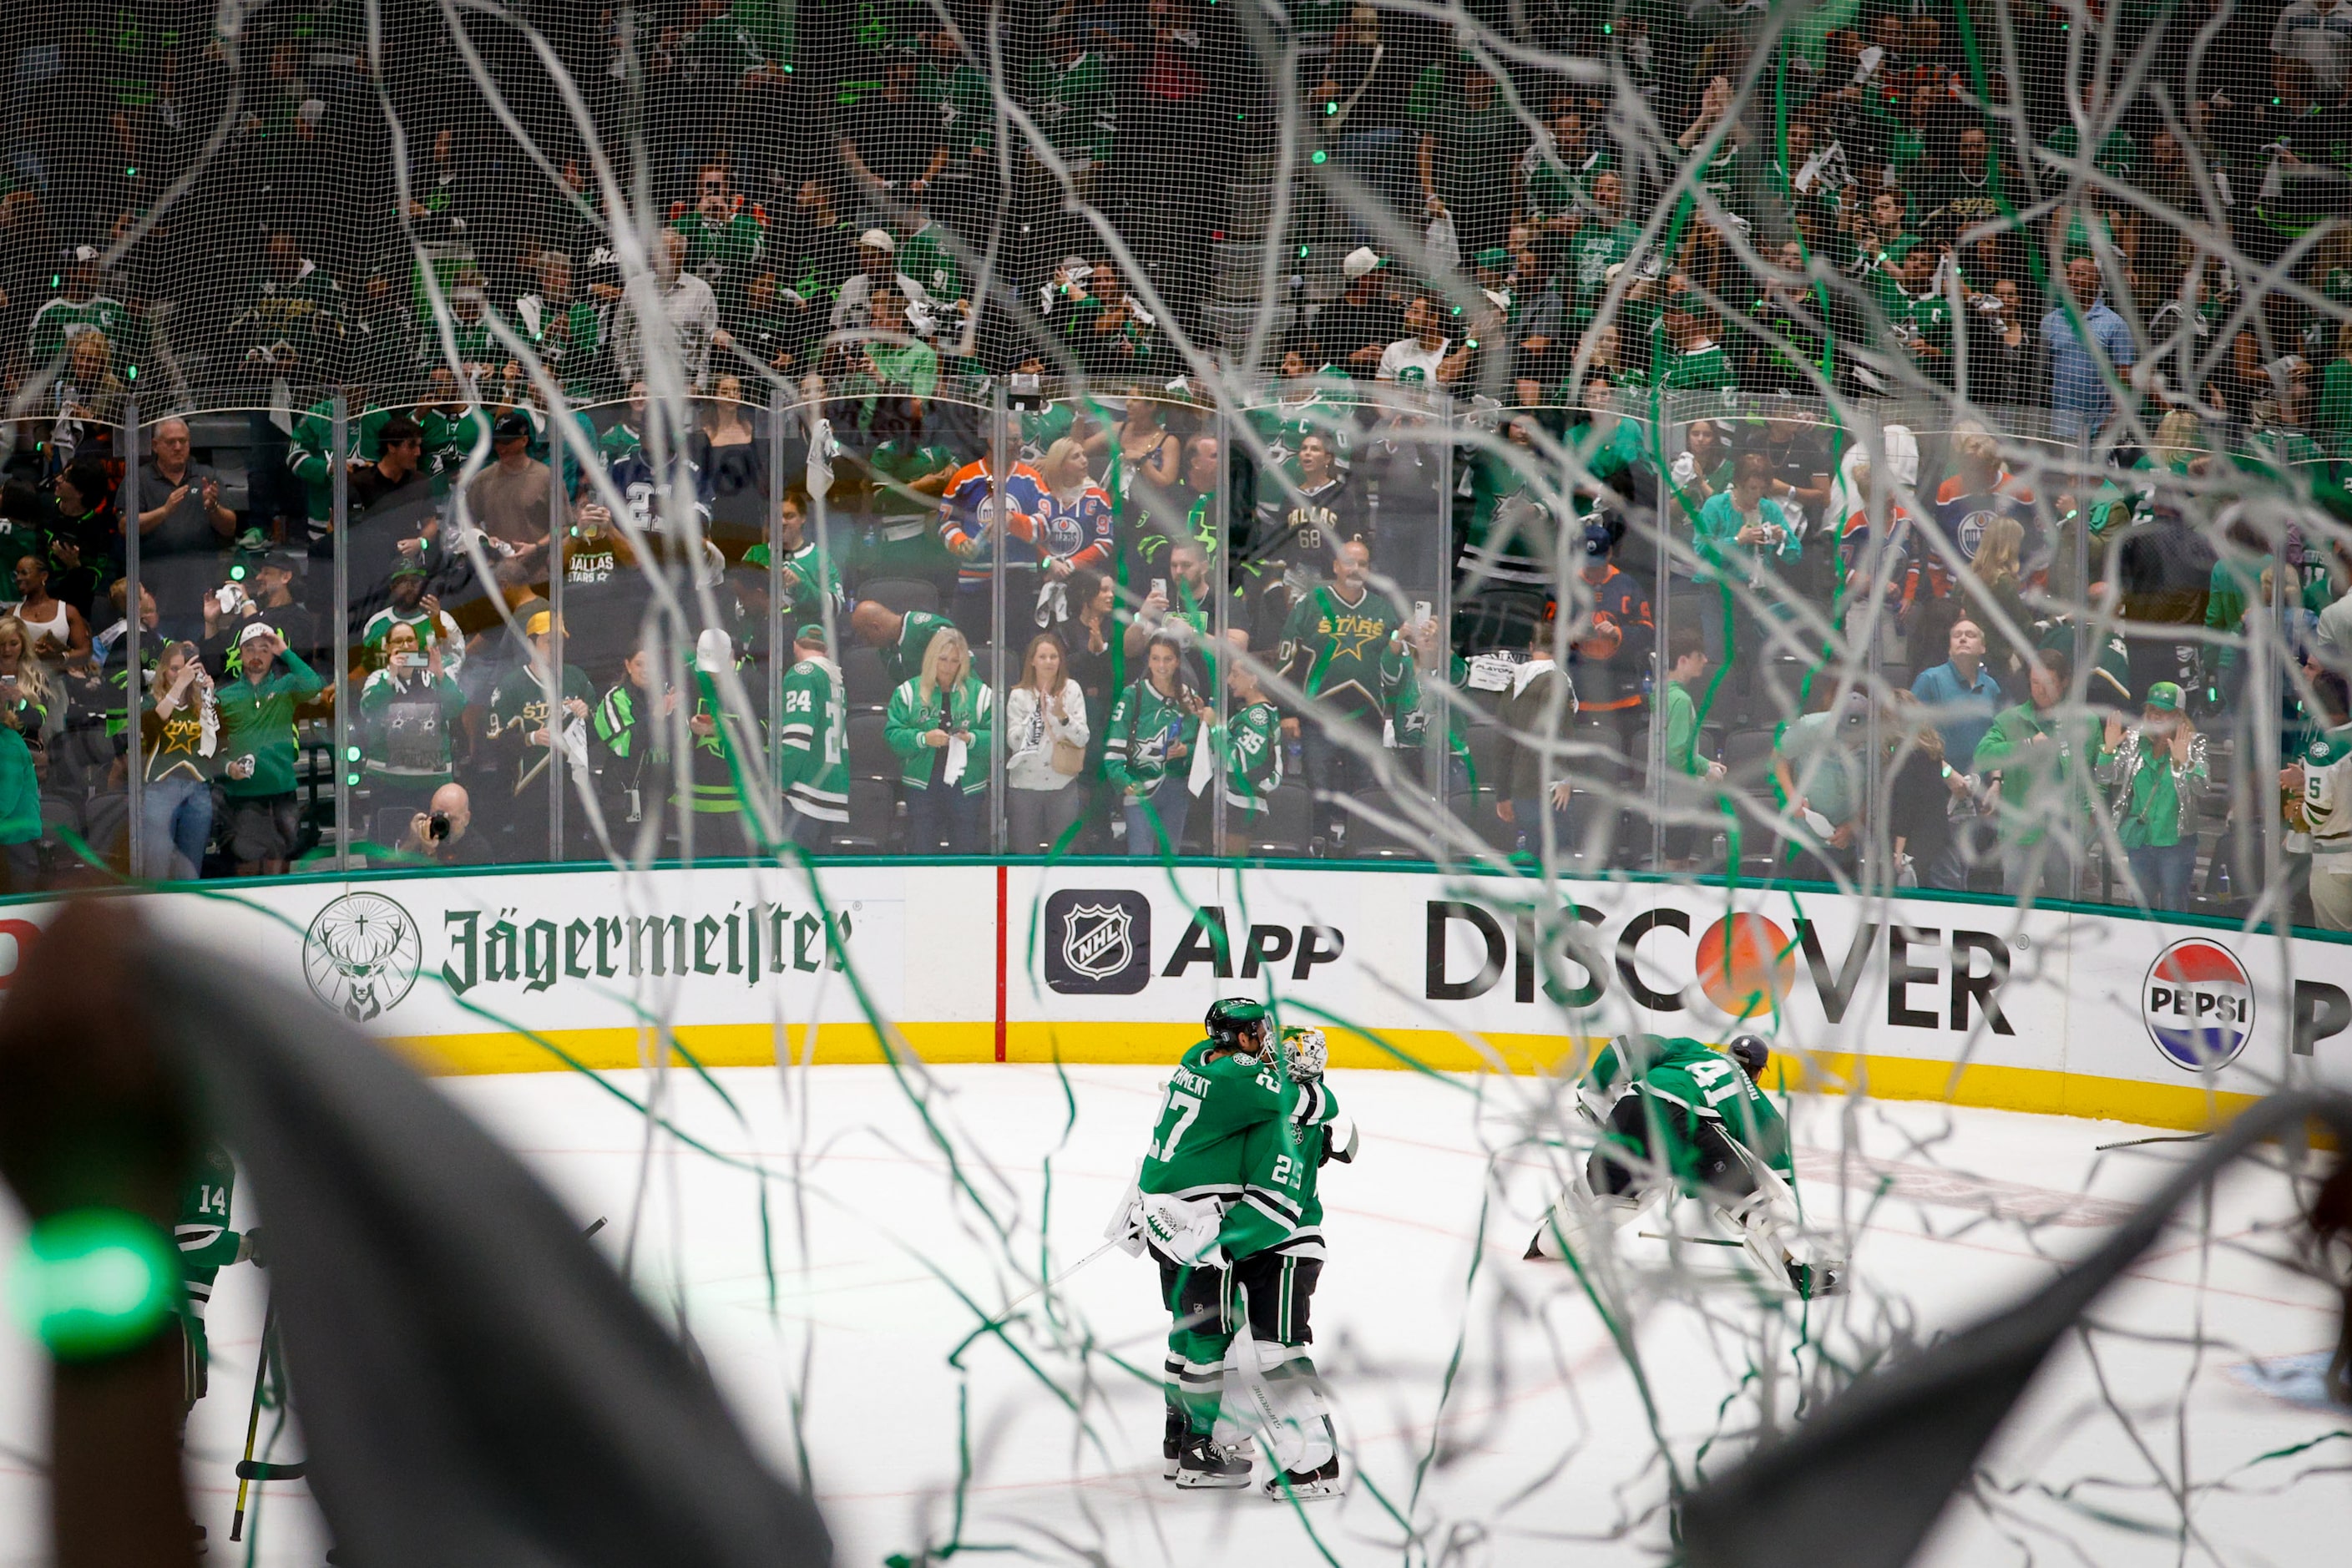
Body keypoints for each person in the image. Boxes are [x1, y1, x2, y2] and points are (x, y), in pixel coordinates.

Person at [1106, 999, 1335, 1489]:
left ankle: (1181, 1439)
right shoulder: (1247, 1085)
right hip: (1199, 1224)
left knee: (1187, 1329)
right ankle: (1200, 1449)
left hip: (1163, 1214)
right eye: (1258, 1033)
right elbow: (1320, 1108)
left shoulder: (1198, 1058)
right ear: (1240, 1040)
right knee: (1214, 1338)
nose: (1266, 1041)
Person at [1527, 1034, 1839, 1299]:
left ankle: (1546, 1242)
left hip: (1633, 1107)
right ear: (1758, 1071)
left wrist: (1594, 1091)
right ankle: (1800, 1267)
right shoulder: (1753, 1096)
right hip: (1685, 1123)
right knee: (1756, 1201)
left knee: (1600, 1197)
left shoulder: (1693, 1050)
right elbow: (1778, 1173)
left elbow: (1626, 1047)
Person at [1217, 1024, 1354, 1500]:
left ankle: (1318, 1464)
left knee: (1279, 1353)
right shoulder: (1296, 1107)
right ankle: (1227, 1438)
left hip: (1284, 1249)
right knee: (1243, 1350)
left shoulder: (1292, 1123)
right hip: (1273, 1248)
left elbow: (1278, 1204)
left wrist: (1218, 1243)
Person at [1277, 539, 1409, 853]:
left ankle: (1359, 846)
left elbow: (1398, 659)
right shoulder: (1311, 604)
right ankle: (1318, 841)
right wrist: (1287, 712)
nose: (1355, 569)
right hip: (1316, 716)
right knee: (1318, 785)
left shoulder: (1382, 609)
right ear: (1335, 565)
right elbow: (1286, 659)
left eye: (1362, 563)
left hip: (1367, 717)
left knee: (1365, 787)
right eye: (1349, 562)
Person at [1973, 648, 2107, 902]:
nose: (2041, 690)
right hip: (2020, 832)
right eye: (2035, 683)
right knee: (2015, 907)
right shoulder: (2009, 720)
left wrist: (2092, 809)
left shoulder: (2086, 722)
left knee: (2064, 907)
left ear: (2064, 681)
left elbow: (2097, 773)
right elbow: (1983, 756)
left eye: (2049, 683)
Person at [484, 611, 596, 862]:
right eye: (548, 641)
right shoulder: (511, 686)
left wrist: (586, 715)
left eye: (560, 641)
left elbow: (600, 733)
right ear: (531, 643)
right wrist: (531, 738)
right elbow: (493, 741)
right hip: (528, 793)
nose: (556, 648)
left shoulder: (577, 678)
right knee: (529, 857)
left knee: (575, 854)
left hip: (573, 791)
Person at [213, 623, 323, 878]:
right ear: (240, 654)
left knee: (281, 861)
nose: (256, 655)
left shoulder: (286, 687)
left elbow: (314, 684)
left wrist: (284, 650)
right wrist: (227, 765)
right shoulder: (224, 696)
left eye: (264, 649)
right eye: (250, 649)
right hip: (241, 795)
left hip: (282, 790)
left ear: (272, 654)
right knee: (243, 864)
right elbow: (210, 748)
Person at [2101, 682, 2208, 914]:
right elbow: (2106, 776)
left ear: (2178, 715)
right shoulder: (2135, 742)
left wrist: (2186, 762)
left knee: (2173, 907)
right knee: (2141, 909)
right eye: (2152, 710)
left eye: (2164, 711)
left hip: (2175, 844)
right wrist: (2108, 750)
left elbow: (2203, 788)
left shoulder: (2194, 743)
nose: (2156, 716)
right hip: (2140, 842)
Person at [124, 419, 239, 637]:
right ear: (155, 445)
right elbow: (125, 526)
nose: (178, 447)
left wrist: (213, 507)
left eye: (183, 441)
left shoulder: (206, 475)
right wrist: (164, 511)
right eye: (170, 442)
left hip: (200, 591)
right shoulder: (139, 478)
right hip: (155, 594)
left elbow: (229, 527)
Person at [886, 624, 991, 853]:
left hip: (967, 787)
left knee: (965, 856)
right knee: (922, 852)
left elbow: (997, 740)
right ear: (932, 658)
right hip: (922, 786)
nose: (948, 667)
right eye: (943, 659)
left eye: (955, 661)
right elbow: (893, 737)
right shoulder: (908, 692)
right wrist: (923, 739)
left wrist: (971, 739)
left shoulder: (981, 693)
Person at [1105, 632, 1209, 858]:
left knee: (1169, 859)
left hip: (1175, 787)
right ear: (1148, 660)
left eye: (1168, 659)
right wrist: (1123, 781)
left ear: (1178, 661)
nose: (1161, 665)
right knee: (1140, 856)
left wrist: (1186, 750)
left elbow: (1200, 750)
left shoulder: (1189, 697)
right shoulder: (1133, 695)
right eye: (1156, 658)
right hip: (1139, 785)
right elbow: (1114, 745)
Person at [357, 621, 468, 822]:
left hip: (433, 779)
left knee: (433, 842)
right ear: (388, 647)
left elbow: (456, 708)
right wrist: (390, 677)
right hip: (387, 779)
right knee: (386, 842)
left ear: (418, 644)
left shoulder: (439, 674)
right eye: (398, 641)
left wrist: (440, 675)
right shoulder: (378, 677)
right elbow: (368, 709)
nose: (406, 645)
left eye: (410, 640)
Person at [1004, 630, 1091, 854]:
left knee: (1062, 855)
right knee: (1024, 854)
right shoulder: (1018, 695)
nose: (1048, 662)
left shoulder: (1072, 690)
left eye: (1053, 656)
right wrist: (1037, 713)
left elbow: (1083, 737)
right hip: (1025, 786)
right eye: (1042, 657)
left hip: (1062, 783)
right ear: (1032, 661)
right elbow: (1013, 741)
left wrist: (1063, 717)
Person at [138, 640, 217, 881]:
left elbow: (218, 739)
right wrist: (179, 686)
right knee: (156, 869)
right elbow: (150, 726)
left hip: (198, 789)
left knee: (190, 870)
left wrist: (209, 696)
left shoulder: (199, 702)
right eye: (175, 668)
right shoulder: (150, 700)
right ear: (163, 670)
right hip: (160, 788)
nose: (180, 674)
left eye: (186, 669)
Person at [2042, 255, 2137, 440]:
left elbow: (2123, 376)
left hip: (2097, 427)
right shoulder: (2051, 321)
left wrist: (2112, 419)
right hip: (2057, 425)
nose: (2072, 279)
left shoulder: (2114, 324)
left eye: (2080, 274)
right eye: (2069, 274)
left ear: (2096, 282)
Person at [1658, 626, 1728, 873]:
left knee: (1681, 860)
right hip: (1678, 797)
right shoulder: (1680, 700)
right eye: (1700, 656)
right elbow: (1677, 752)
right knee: (1675, 863)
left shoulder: (1661, 693)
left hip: (1668, 793)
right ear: (1683, 660)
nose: (1706, 660)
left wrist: (1705, 763)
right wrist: (1705, 770)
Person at [774, 624, 849, 851]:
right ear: (826, 650)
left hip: (803, 792)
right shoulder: (835, 679)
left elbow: (798, 735)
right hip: (830, 789)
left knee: (790, 880)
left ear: (795, 646)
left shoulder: (802, 674)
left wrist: (780, 780)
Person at [2287, 670, 2352, 930]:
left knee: (2336, 950)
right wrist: (2306, 779)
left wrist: (2298, 808)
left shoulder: (2322, 748)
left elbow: (2316, 813)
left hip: (2334, 862)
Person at [1217, 628, 1284, 857]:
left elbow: (1238, 762)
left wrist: (1214, 728)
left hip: (1241, 802)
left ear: (1254, 678)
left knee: (1230, 868)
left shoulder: (1257, 715)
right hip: (1241, 802)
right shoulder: (1257, 712)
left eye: (1235, 674)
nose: (1229, 680)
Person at [1909, 618, 2006, 771]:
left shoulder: (1991, 686)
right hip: (1939, 783)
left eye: (1970, 635)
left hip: (1983, 783)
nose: (1963, 639)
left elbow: (1998, 738)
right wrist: (1947, 773)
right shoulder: (1929, 680)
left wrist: (1997, 780)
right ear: (1949, 648)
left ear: (1983, 648)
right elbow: (1912, 735)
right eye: (1957, 635)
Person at [392, 781, 483, 866]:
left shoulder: (477, 849)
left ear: (466, 819)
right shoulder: (420, 831)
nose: (442, 824)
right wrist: (412, 842)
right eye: (437, 816)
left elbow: (448, 880)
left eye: (451, 819)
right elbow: (390, 871)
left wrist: (429, 851)